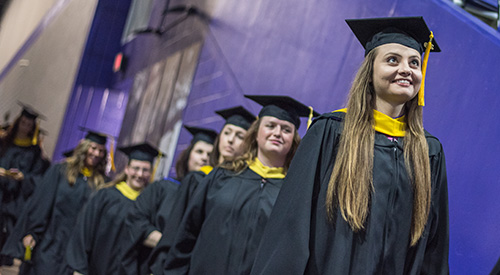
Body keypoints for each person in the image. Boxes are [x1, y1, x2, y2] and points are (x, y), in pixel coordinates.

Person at [251, 17, 449, 275]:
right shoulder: (331, 131)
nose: (406, 69)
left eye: (414, 62)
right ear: (369, 73)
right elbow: (291, 226)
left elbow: (434, 248)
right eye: (392, 60)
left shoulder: (429, 151)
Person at [162, 95, 318, 275]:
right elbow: (187, 233)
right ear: (256, 132)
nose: (277, 133)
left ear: (294, 140)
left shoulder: (293, 193)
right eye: (270, 125)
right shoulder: (222, 176)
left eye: (286, 129)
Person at [147, 106, 256, 274]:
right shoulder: (197, 179)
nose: (230, 140)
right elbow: (177, 230)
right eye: (227, 133)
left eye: (239, 136)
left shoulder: (244, 187)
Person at [0, 130, 109, 275]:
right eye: (93, 148)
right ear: (84, 147)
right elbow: (42, 204)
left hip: (76, 251)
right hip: (50, 243)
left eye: (101, 151)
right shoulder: (60, 171)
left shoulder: (102, 183)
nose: (96, 154)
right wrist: (33, 232)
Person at [120, 126, 217, 275]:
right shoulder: (163, 188)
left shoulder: (213, 199)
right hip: (149, 266)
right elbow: (136, 221)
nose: (204, 158)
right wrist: (169, 243)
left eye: (210, 154)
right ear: (188, 155)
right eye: (199, 152)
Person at [66, 142, 160, 275]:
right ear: (127, 169)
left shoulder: (151, 206)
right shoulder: (106, 195)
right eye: (136, 168)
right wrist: (79, 269)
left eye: (145, 170)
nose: (139, 174)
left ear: (151, 173)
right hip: (95, 269)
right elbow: (84, 231)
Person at [0, 103, 50, 264]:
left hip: (15, 202)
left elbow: (39, 178)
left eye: (29, 125)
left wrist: (23, 177)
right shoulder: (3, 143)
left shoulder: (34, 152)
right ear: (17, 122)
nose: (25, 127)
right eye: (23, 123)